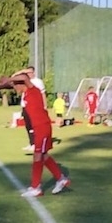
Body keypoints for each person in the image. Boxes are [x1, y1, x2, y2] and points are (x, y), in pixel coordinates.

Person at [13, 70, 70, 198]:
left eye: (15, 85)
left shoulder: (33, 91)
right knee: (43, 156)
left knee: (37, 156)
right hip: (38, 128)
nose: (14, 88)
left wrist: (10, 78)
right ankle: (61, 179)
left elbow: (24, 77)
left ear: (22, 84)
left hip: (43, 127)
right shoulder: (26, 94)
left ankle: (36, 188)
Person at [19, 67, 45, 153]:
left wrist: (44, 105)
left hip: (34, 107)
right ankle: (31, 143)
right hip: (25, 106)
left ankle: (35, 143)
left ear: (33, 72)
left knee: (34, 125)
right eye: (27, 73)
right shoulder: (25, 81)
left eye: (30, 72)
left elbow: (43, 94)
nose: (28, 74)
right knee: (28, 125)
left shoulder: (38, 82)